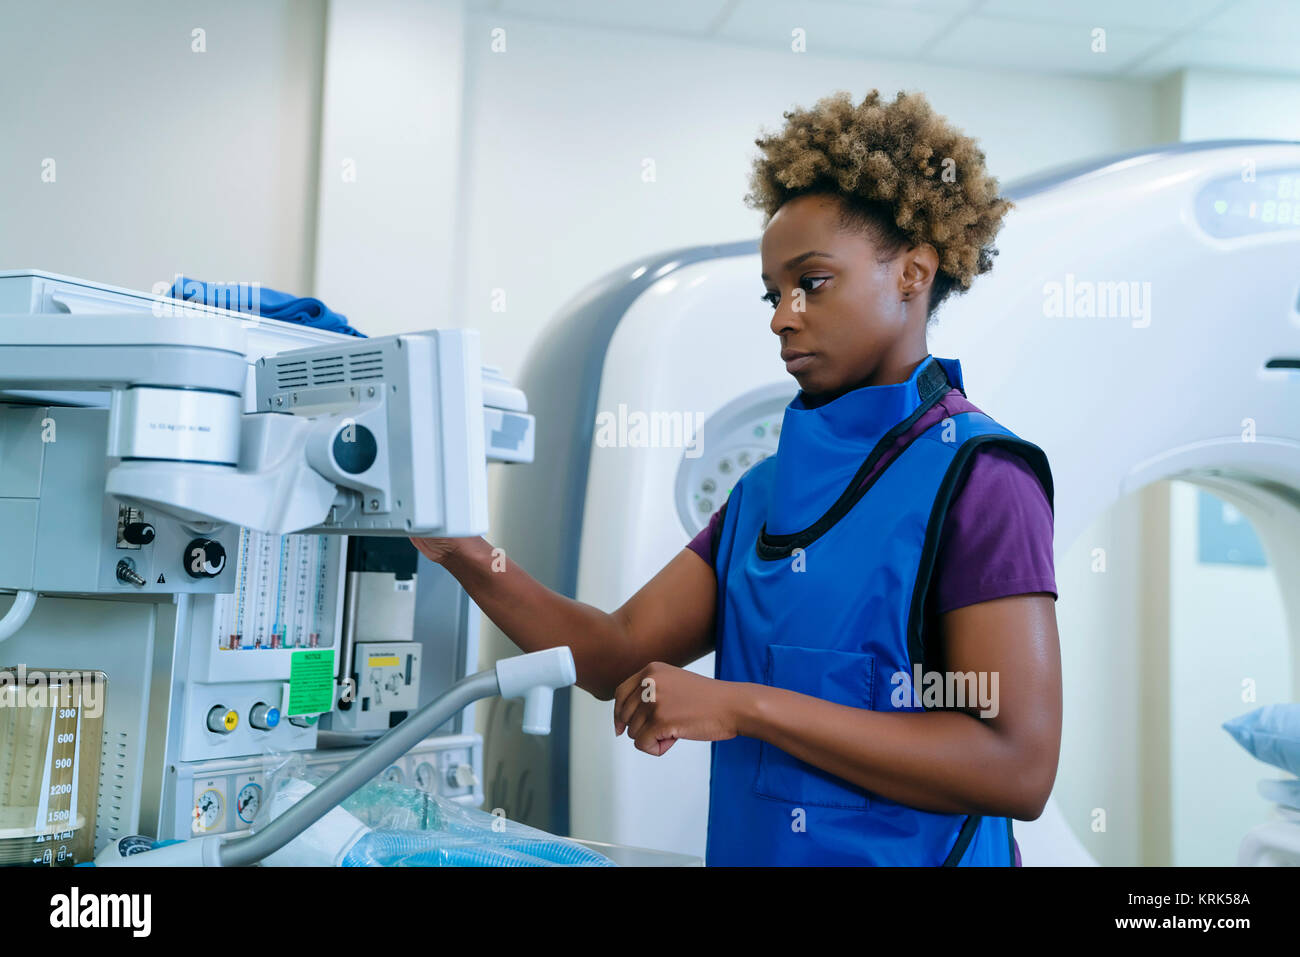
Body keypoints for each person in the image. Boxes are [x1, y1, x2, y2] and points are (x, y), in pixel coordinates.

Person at [412, 88, 1061, 866]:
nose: (782, 316)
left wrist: (743, 705)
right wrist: (460, 548)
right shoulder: (762, 495)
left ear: (913, 273)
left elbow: (1018, 766)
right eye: (773, 291)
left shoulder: (981, 476)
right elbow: (614, 651)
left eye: (811, 282)